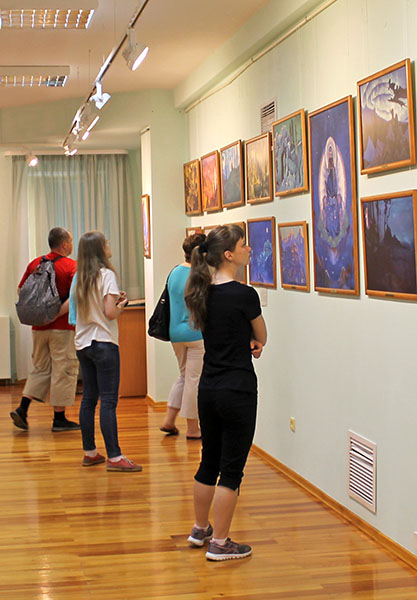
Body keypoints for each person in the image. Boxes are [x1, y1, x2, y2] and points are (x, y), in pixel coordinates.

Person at [184, 224, 267, 561]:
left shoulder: (201, 293)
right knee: (231, 470)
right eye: (244, 244)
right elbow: (262, 335)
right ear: (229, 255)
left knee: (209, 461)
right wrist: (254, 342)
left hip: (209, 389)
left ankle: (200, 529)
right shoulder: (245, 295)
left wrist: (247, 340)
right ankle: (220, 543)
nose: (249, 249)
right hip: (238, 390)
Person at [70, 231, 142, 472]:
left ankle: (90, 452)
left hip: (83, 344)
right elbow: (110, 313)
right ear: (100, 249)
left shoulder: (80, 277)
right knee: (109, 401)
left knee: (89, 398)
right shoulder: (107, 275)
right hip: (104, 343)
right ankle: (115, 456)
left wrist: (113, 300)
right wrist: (122, 304)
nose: (109, 245)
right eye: (107, 243)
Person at [10, 227, 80, 432]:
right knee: (63, 369)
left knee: (40, 368)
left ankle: (22, 409)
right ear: (64, 244)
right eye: (71, 241)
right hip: (62, 328)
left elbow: (21, 290)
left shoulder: (35, 263)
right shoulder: (71, 266)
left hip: (38, 327)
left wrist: (41, 313)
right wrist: (55, 314)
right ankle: (59, 419)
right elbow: (75, 297)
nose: (72, 244)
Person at [159, 233, 206, 439]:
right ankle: (193, 428)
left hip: (175, 333)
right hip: (195, 334)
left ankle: (169, 421)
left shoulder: (174, 272)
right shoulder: (200, 276)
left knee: (184, 376)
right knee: (193, 380)